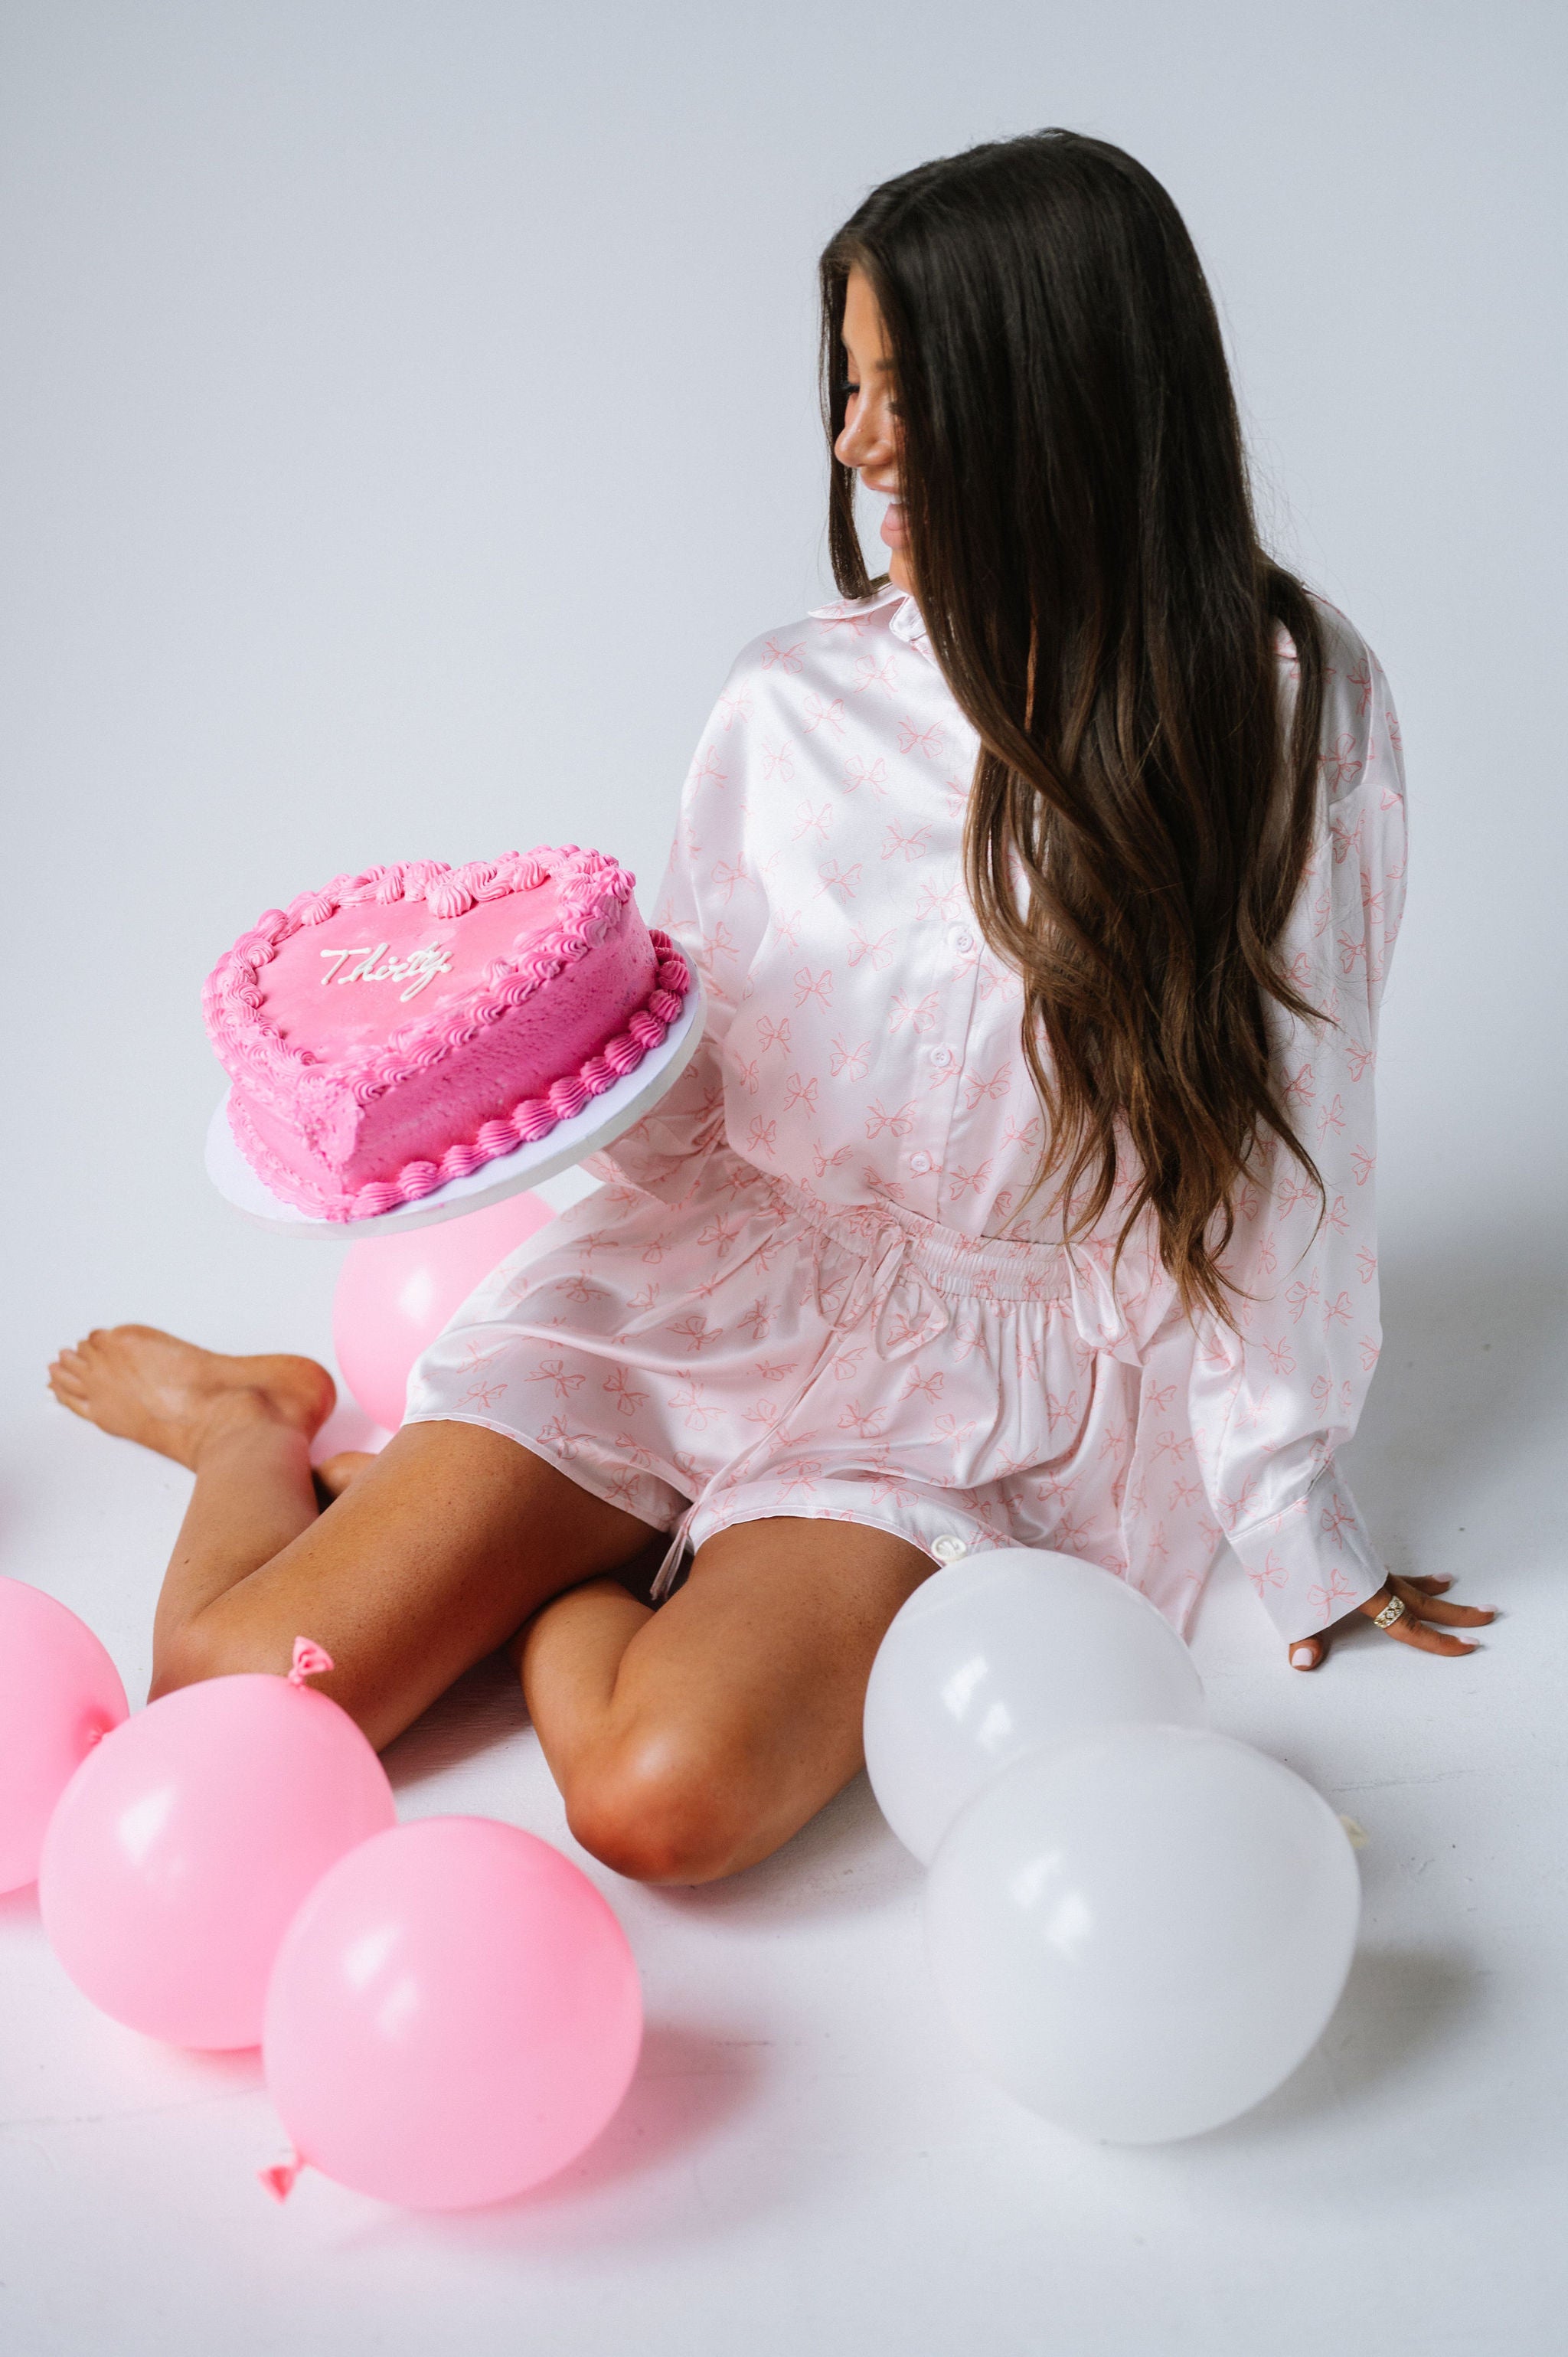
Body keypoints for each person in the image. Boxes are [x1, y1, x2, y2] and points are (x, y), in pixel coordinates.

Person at [47, 129, 1491, 1886]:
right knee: (233, 1685)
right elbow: (708, 1064)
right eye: (851, 385)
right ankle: (245, 1422)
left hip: (971, 1390)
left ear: (1059, 395)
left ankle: (599, 1566)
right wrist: (500, 1065)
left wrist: (1299, 1532)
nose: (853, 444)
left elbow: (1294, 1141)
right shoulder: (790, 698)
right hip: (708, 1286)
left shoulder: (1280, 710)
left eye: (904, 393)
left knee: (665, 1803)